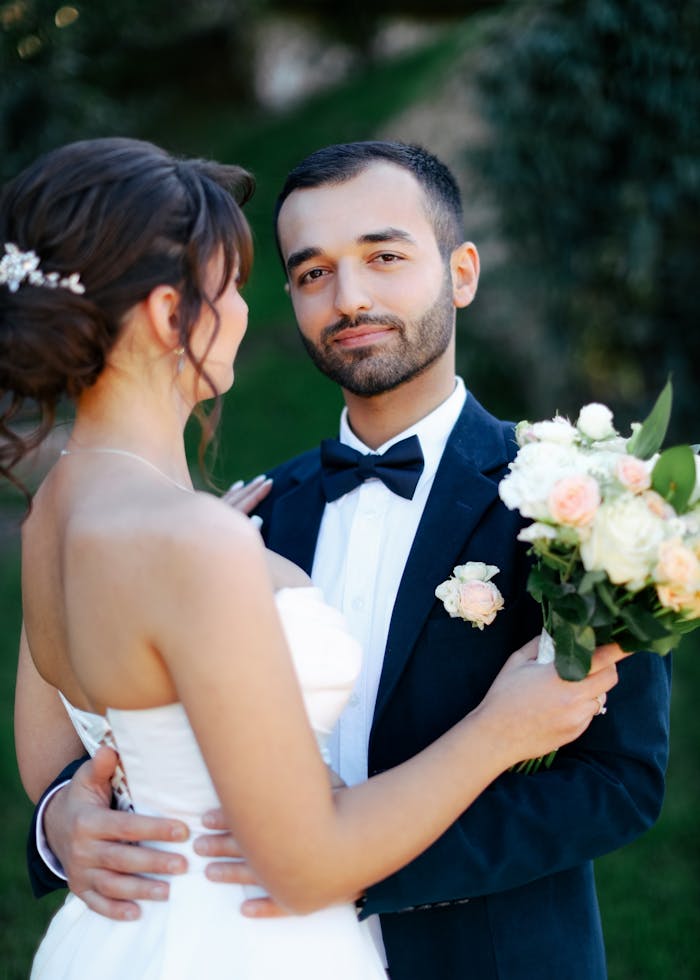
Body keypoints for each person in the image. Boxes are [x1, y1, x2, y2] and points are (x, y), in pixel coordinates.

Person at [6, 137, 622, 980]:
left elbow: (618, 780)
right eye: (306, 274)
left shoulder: (574, 497)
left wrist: (385, 872)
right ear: (164, 315)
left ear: (462, 272)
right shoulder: (241, 523)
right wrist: (61, 822)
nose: (349, 296)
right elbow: (89, 754)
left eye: (385, 256)